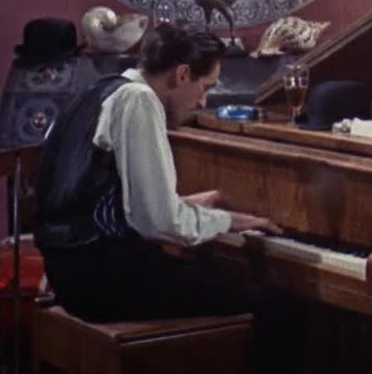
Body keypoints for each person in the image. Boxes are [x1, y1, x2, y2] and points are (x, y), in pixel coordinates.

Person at [34, 23, 306, 374]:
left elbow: (106, 202)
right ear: (182, 74)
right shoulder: (140, 100)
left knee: (213, 280)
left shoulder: (101, 90)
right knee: (279, 309)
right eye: (205, 87)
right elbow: (159, 222)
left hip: (70, 272)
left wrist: (186, 205)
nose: (203, 102)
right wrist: (229, 221)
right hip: (105, 281)